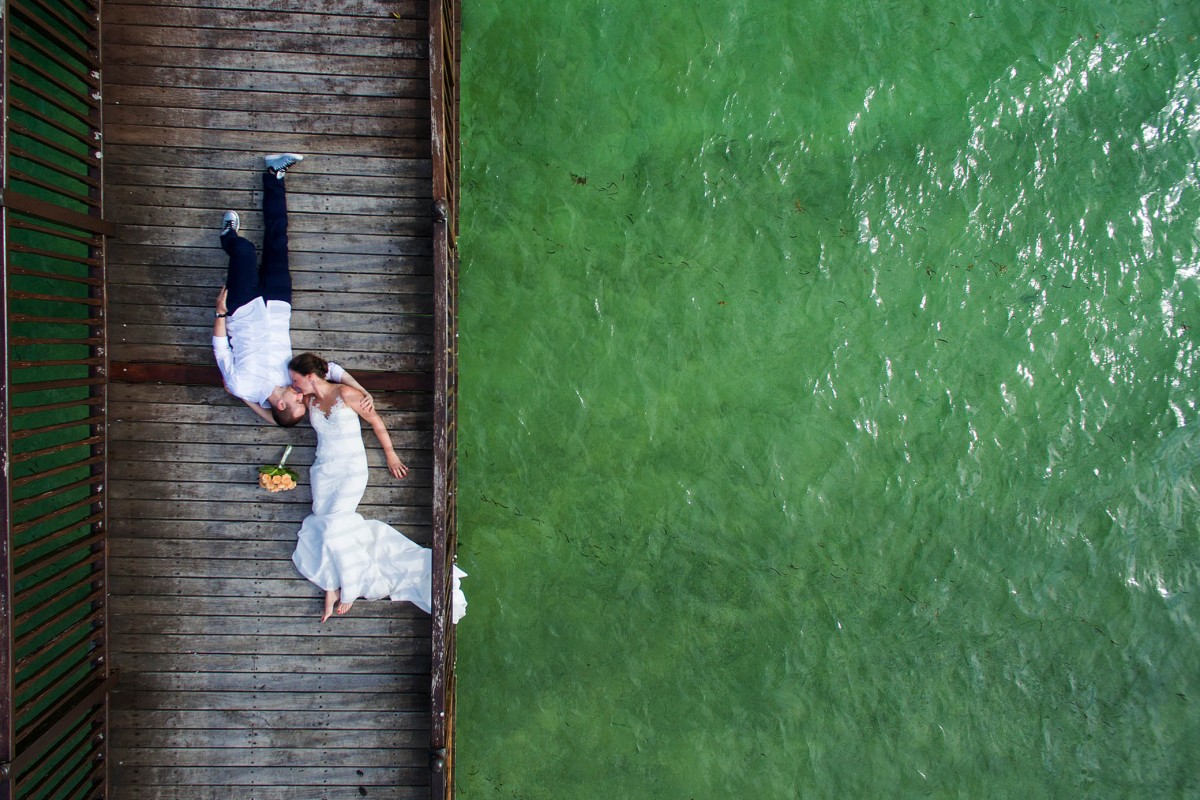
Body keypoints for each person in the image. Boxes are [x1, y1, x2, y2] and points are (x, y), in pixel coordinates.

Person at [287, 352, 467, 623]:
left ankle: (349, 586)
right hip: (323, 471)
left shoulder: (347, 394)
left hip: (350, 470)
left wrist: (391, 454)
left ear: (310, 376)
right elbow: (282, 412)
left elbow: (376, 423)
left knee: (335, 527)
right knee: (324, 525)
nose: (293, 384)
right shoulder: (309, 400)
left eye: (295, 379)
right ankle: (331, 585)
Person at [212, 154, 372, 426]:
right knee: (277, 240)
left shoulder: (242, 387)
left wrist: (219, 314)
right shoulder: (294, 378)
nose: (302, 397)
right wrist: (364, 392)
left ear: (282, 404)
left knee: (244, 250)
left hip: (241, 309)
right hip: (277, 304)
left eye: (298, 402)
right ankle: (274, 174)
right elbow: (333, 370)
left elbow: (221, 351)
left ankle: (228, 238)